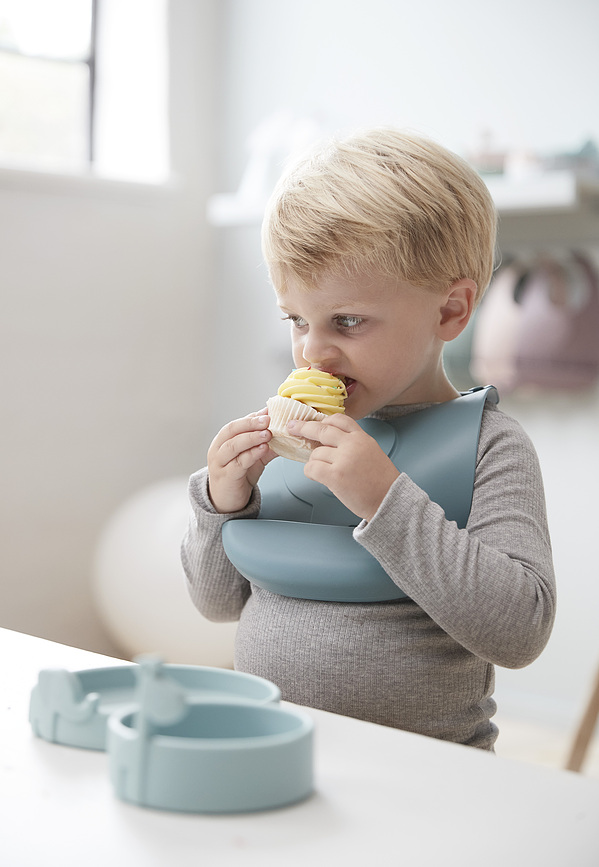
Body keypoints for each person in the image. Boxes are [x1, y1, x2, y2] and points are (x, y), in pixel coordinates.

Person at [181, 128, 555, 750]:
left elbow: (520, 630)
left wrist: (385, 500)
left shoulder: (490, 446)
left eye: (347, 321)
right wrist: (222, 503)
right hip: (275, 752)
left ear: (450, 311)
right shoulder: (280, 441)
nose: (313, 351)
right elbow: (216, 603)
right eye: (297, 319)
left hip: (427, 771)